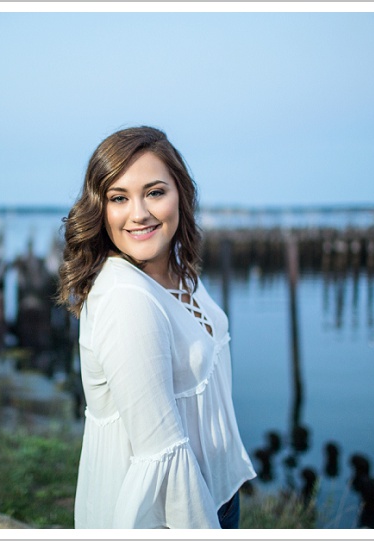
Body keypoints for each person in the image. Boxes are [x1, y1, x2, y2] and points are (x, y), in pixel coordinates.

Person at [58, 126, 256, 529]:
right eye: (119, 198)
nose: (139, 213)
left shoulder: (177, 272)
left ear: (180, 193)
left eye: (154, 192)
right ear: (101, 209)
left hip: (217, 492)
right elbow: (161, 453)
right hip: (174, 514)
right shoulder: (126, 298)